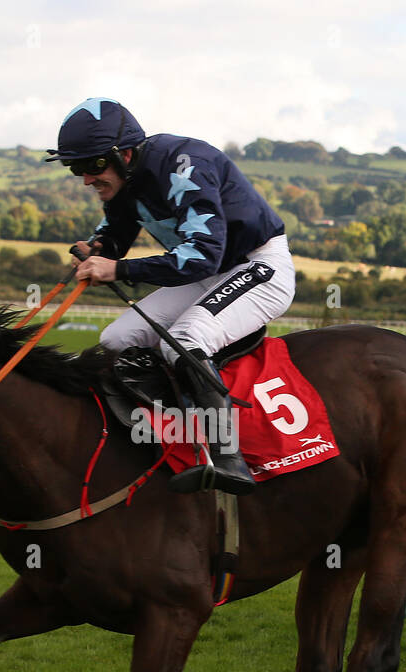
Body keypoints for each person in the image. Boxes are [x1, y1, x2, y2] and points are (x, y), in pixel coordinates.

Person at [47, 97, 295, 495]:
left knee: (187, 339)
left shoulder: (185, 165)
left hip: (258, 266)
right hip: (208, 273)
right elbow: (117, 232)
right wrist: (99, 249)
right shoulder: (124, 181)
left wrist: (119, 269)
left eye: (92, 165)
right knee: (115, 340)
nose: (86, 179)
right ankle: (163, 434)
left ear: (124, 154)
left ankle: (229, 457)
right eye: (76, 168)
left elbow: (201, 255)